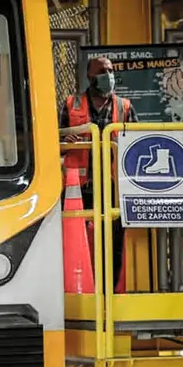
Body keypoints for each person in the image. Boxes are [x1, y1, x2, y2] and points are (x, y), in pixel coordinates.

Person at [58, 56, 137, 290]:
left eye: (111, 70)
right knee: (76, 240)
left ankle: (109, 291)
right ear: (90, 76)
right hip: (80, 187)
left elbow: (136, 142)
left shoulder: (124, 107)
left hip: (114, 186)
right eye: (103, 71)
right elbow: (54, 137)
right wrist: (64, 137)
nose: (108, 75)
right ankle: (79, 289)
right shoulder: (71, 104)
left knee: (113, 241)